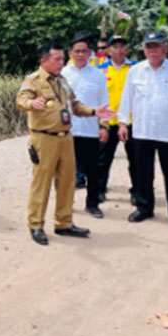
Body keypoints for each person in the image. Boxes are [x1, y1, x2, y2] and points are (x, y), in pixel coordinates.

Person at [16, 42, 114, 245]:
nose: (62, 62)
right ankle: (36, 225)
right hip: (44, 138)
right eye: (57, 59)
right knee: (41, 184)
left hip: (66, 138)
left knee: (67, 183)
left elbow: (75, 105)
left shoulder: (62, 80)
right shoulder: (33, 80)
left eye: (62, 59)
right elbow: (21, 100)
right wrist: (32, 104)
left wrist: (94, 112)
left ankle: (64, 223)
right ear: (44, 61)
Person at [117, 30, 168, 229]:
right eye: (149, 47)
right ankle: (144, 207)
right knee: (143, 174)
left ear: (165, 48)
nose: (152, 51)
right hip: (143, 130)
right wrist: (122, 123)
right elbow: (126, 98)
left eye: (156, 46)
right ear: (144, 49)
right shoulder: (135, 71)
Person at [62, 32, 110, 218]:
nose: (81, 54)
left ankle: (92, 204)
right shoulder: (63, 74)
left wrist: (104, 126)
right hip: (68, 131)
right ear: (70, 53)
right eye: (77, 51)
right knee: (67, 172)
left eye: (84, 51)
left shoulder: (97, 75)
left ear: (90, 53)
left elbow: (104, 102)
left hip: (90, 130)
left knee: (93, 170)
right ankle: (66, 204)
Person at [95, 35, 139, 205]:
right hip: (108, 122)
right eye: (115, 46)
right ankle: (99, 190)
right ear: (108, 50)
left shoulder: (135, 68)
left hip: (132, 122)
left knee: (136, 160)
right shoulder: (101, 70)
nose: (119, 50)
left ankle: (137, 192)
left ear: (127, 49)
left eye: (122, 46)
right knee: (102, 160)